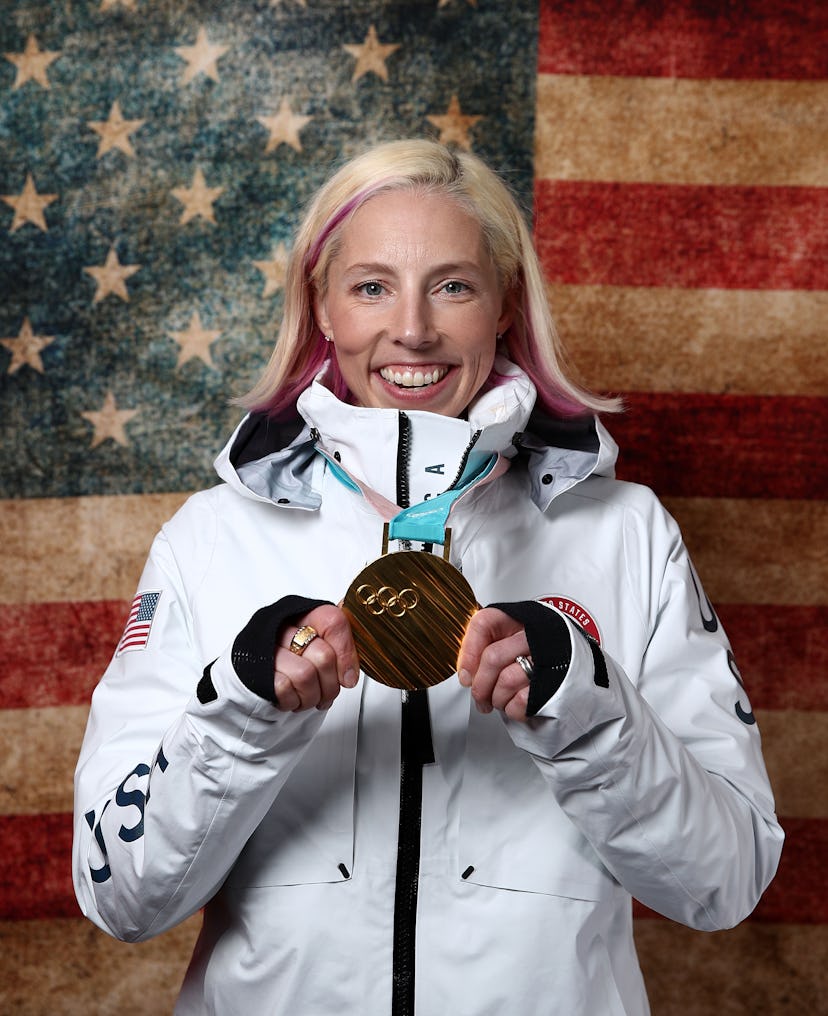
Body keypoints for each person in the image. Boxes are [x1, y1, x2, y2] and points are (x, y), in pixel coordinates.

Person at [73, 139, 783, 1015]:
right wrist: (240, 716)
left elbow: (727, 881)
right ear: (322, 307)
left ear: (504, 307)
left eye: (452, 285)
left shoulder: (626, 532)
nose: (412, 328)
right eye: (372, 286)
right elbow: (119, 897)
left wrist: (588, 706)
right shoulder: (211, 539)